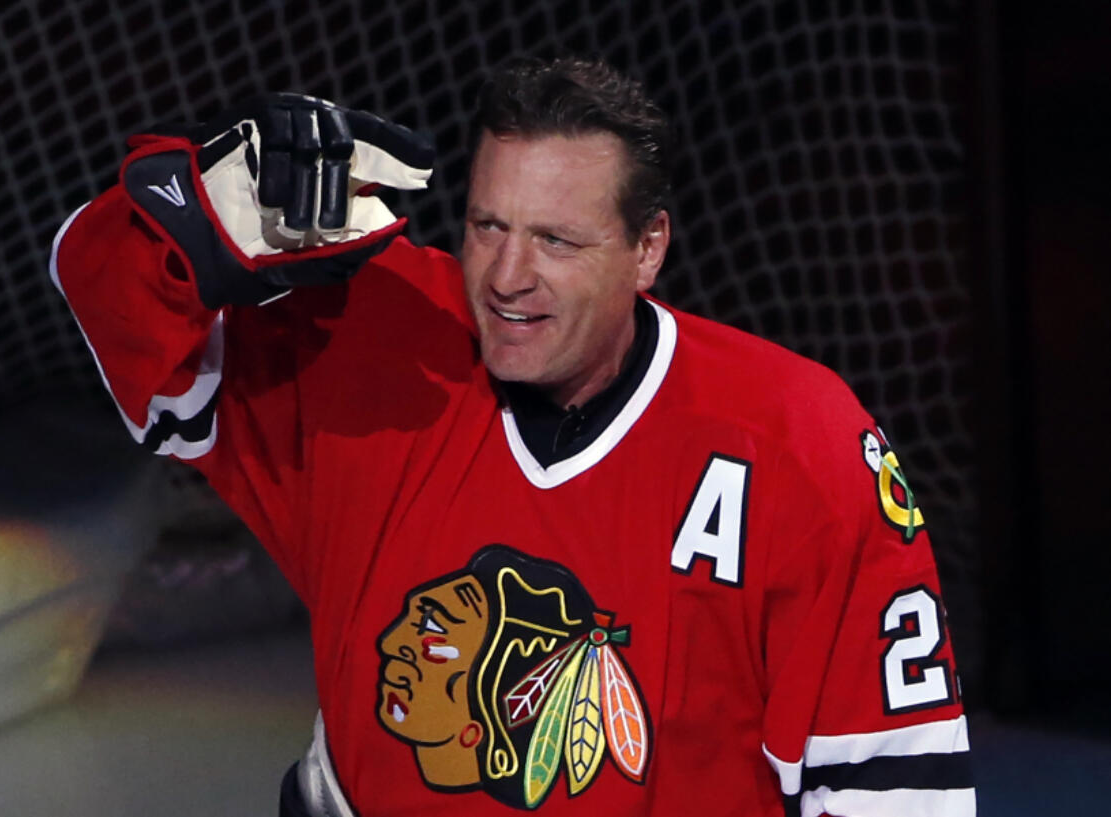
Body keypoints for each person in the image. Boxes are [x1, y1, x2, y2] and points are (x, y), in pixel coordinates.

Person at [50, 57, 974, 817]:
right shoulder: (377, 340)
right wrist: (210, 211)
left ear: (648, 248)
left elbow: (891, 787)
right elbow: (105, 292)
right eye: (488, 227)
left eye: (557, 242)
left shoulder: (795, 438)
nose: (508, 277)